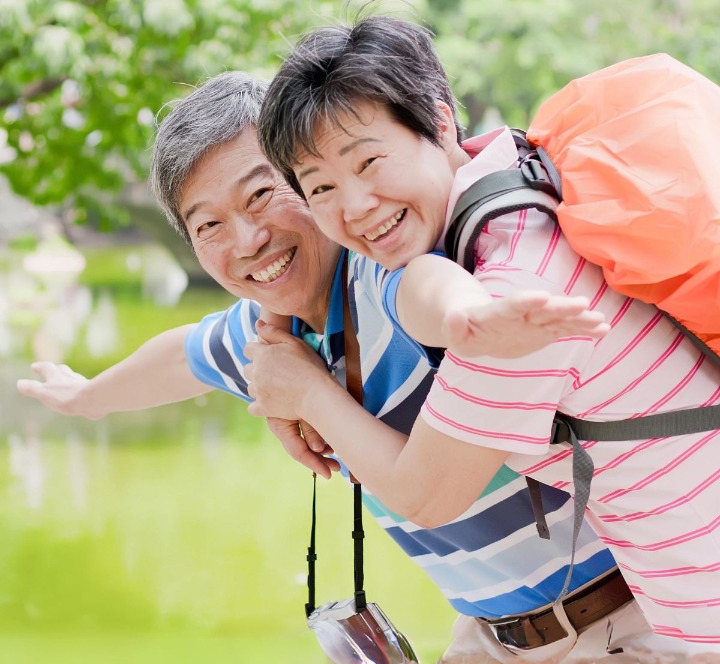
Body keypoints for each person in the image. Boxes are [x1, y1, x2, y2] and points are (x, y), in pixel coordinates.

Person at [17, 71, 654, 663]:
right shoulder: (270, 334)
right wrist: (87, 398)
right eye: (209, 225)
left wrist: (471, 318)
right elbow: (183, 355)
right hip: (491, 638)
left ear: (310, 178)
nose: (247, 241)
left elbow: (428, 289)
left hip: (620, 619)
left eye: (263, 194)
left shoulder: (380, 270)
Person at [250, 15, 720, 647]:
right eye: (322, 187)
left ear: (440, 123)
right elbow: (409, 278)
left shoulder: (515, 307)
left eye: (369, 162)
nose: (355, 206)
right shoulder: (516, 172)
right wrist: (275, 315)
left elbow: (425, 494)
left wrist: (307, 394)